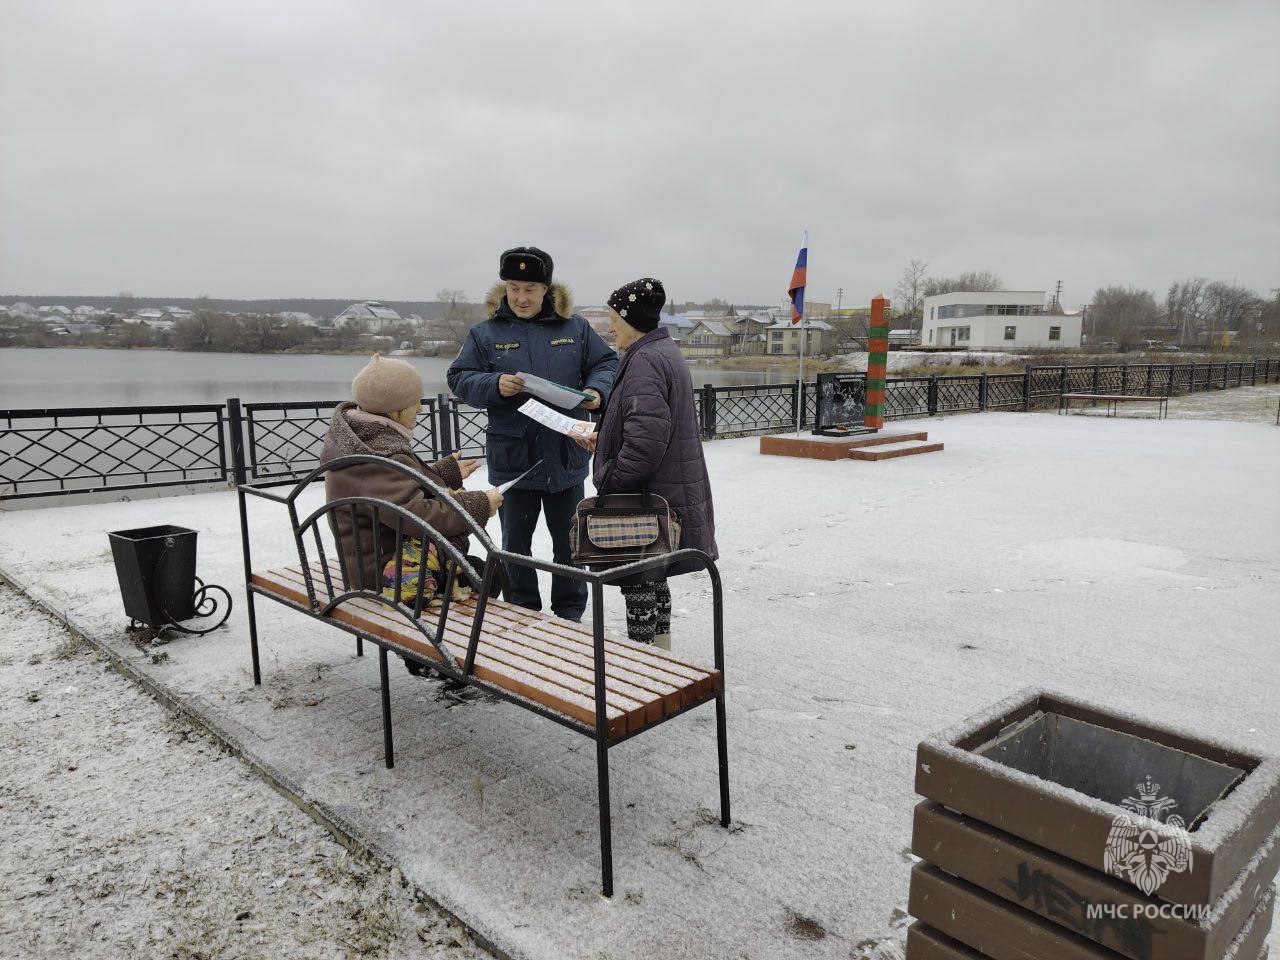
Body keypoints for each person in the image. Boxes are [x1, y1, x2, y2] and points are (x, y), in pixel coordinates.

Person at [447, 246, 618, 621]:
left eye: (530, 288)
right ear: (504, 288)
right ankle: (522, 611)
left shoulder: (575, 328)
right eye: (513, 287)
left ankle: (570, 613)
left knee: (569, 542)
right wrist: (493, 384)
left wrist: (597, 393)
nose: (521, 297)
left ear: (546, 290)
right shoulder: (485, 333)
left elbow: (607, 362)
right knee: (515, 545)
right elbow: (458, 378)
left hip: (566, 456)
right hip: (514, 462)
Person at [576, 278, 717, 647]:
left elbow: (644, 445)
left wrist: (609, 479)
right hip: (666, 488)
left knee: (639, 581)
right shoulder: (662, 352)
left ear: (632, 319)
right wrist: (604, 439)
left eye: (614, 320)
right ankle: (662, 657)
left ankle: (644, 671)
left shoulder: (644, 361)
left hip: (644, 495)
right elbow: (646, 426)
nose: (609, 328)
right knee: (653, 579)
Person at [321, 355, 502, 600]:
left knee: (479, 569)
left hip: (374, 559)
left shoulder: (362, 440)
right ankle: (450, 637)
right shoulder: (378, 457)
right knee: (488, 573)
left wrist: (442, 473)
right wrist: (478, 505)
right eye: (415, 402)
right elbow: (418, 516)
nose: (420, 408)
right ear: (395, 410)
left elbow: (394, 489)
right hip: (389, 577)